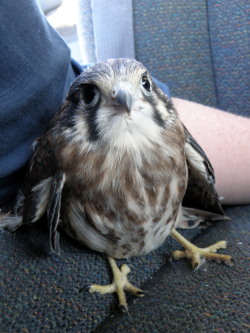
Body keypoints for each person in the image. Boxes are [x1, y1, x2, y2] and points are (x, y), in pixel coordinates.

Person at [0, 0, 249, 209]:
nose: (125, 100)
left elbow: (63, 86)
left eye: (144, 86)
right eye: (93, 96)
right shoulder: (58, 142)